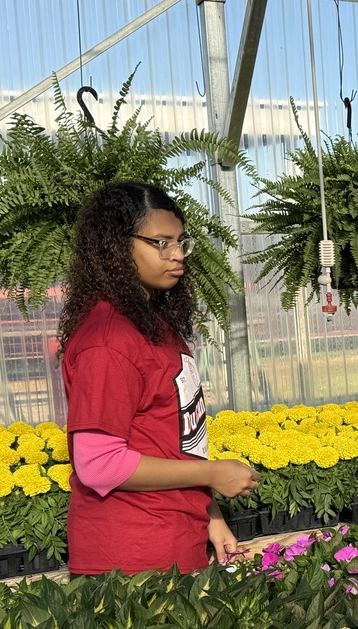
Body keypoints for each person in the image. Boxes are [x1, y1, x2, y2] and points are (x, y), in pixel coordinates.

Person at [58, 181, 259, 575]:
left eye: (182, 242)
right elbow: (99, 464)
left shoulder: (153, 326)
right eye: (161, 242)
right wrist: (213, 473)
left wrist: (210, 513)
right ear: (115, 246)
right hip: (130, 562)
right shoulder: (108, 342)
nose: (177, 255)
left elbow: (172, 439)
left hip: (174, 541)